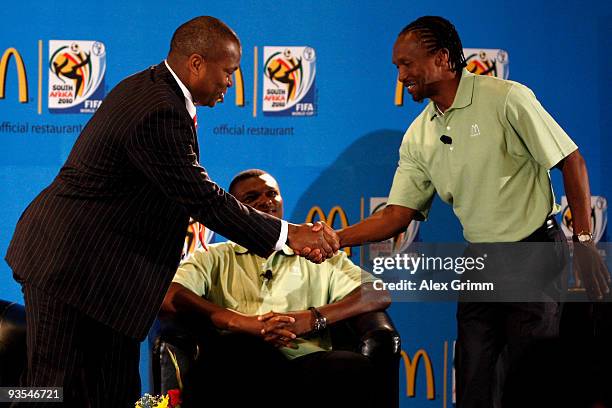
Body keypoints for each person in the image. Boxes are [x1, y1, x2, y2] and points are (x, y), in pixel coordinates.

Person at [4, 16, 338, 407]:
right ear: (197, 63)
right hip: (68, 266)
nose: (231, 82)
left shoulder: (159, 93)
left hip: (108, 280)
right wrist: (288, 234)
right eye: (228, 72)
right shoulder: (157, 108)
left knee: (113, 392)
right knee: (48, 390)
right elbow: (201, 197)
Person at [328, 16, 610, 407]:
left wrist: (583, 243)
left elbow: (571, 160)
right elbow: (395, 215)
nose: (401, 76)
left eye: (407, 64)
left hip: (534, 251)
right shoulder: (417, 135)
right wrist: (335, 238)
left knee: (528, 381)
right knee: (474, 377)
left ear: (443, 58)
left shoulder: (507, 98)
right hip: (481, 258)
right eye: (397, 67)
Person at [161, 169, 391, 408]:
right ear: (233, 210)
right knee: (237, 357)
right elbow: (169, 295)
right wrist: (240, 322)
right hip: (240, 361)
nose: (265, 201)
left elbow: (376, 292)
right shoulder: (213, 257)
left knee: (351, 368)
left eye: (271, 193)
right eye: (250, 198)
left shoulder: (320, 255)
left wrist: (314, 318)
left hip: (305, 360)